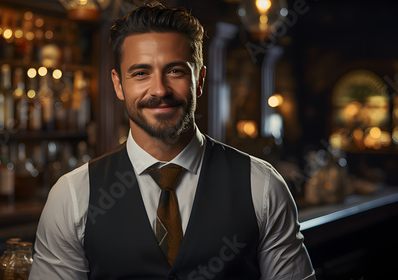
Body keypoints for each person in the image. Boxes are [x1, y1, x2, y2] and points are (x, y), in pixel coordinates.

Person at [30, 3, 316, 279]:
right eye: (141, 73)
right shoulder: (72, 195)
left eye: (175, 71)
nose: (159, 90)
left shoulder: (262, 185)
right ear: (118, 84)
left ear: (200, 80)